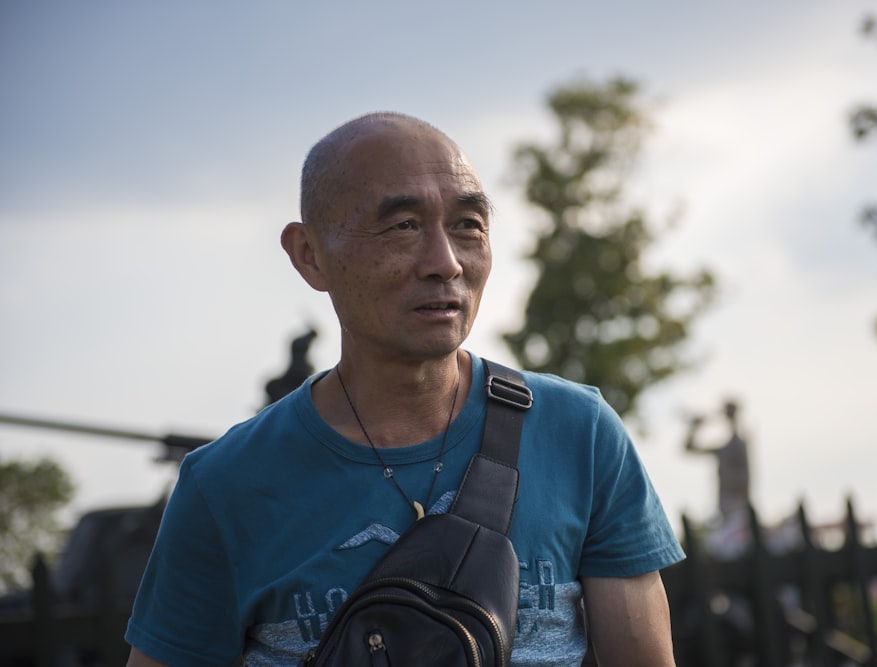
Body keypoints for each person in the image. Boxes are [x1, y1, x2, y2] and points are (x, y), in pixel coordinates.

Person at [125, 112, 684, 666]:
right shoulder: (226, 485)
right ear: (309, 255)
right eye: (403, 226)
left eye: (467, 225)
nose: (445, 263)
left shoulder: (578, 434)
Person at [684, 400, 750, 522]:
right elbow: (689, 448)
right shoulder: (724, 449)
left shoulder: (739, 444)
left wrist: (714, 419)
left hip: (739, 510)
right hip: (724, 510)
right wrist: (695, 428)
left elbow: (738, 436)